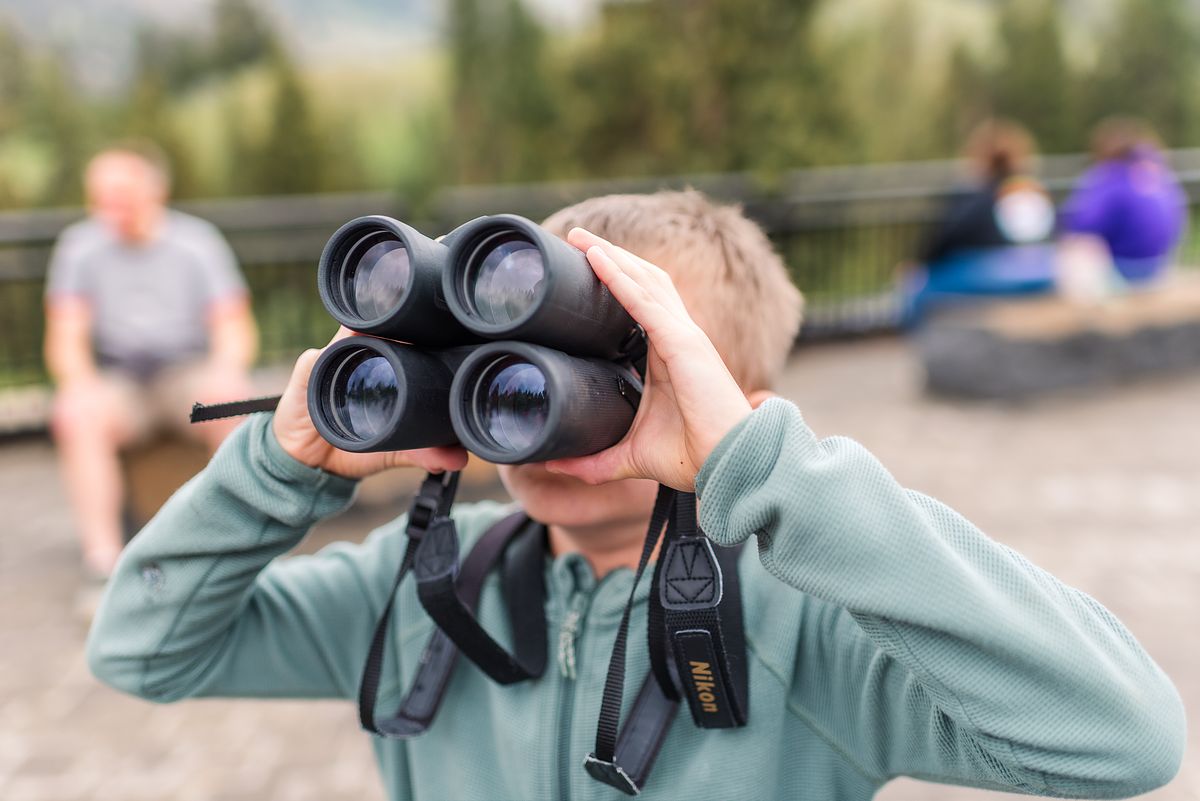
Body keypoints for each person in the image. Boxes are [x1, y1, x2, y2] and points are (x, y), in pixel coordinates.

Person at [87, 191, 1184, 800]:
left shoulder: (815, 624)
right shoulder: (412, 591)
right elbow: (141, 648)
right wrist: (275, 468)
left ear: (740, 405)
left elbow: (1122, 737)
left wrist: (774, 473)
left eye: (631, 361)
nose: (537, 398)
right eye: (517, 353)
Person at [44, 141, 258, 581]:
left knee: (231, 397)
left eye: (120, 195)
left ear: (155, 191)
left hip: (187, 372)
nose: (109, 207)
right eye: (100, 196)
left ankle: (233, 544)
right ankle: (103, 562)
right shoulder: (78, 247)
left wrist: (225, 370)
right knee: (75, 412)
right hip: (119, 380)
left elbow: (234, 326)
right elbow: (65, 336)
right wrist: (79, 384)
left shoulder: (198, 242)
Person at [902, 119, 1057, 323]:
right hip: (1035, 270)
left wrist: (921, 264)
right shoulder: (1029, 191)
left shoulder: (976, 195)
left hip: (981, 273)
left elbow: (946, 235)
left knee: (915, 292)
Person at [1057, 117, 1186, 297]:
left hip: (1123, 269)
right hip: (1160, 267)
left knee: (1076, 245)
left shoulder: (1111, 176)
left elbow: (1084, 223)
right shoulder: (1160, 173)